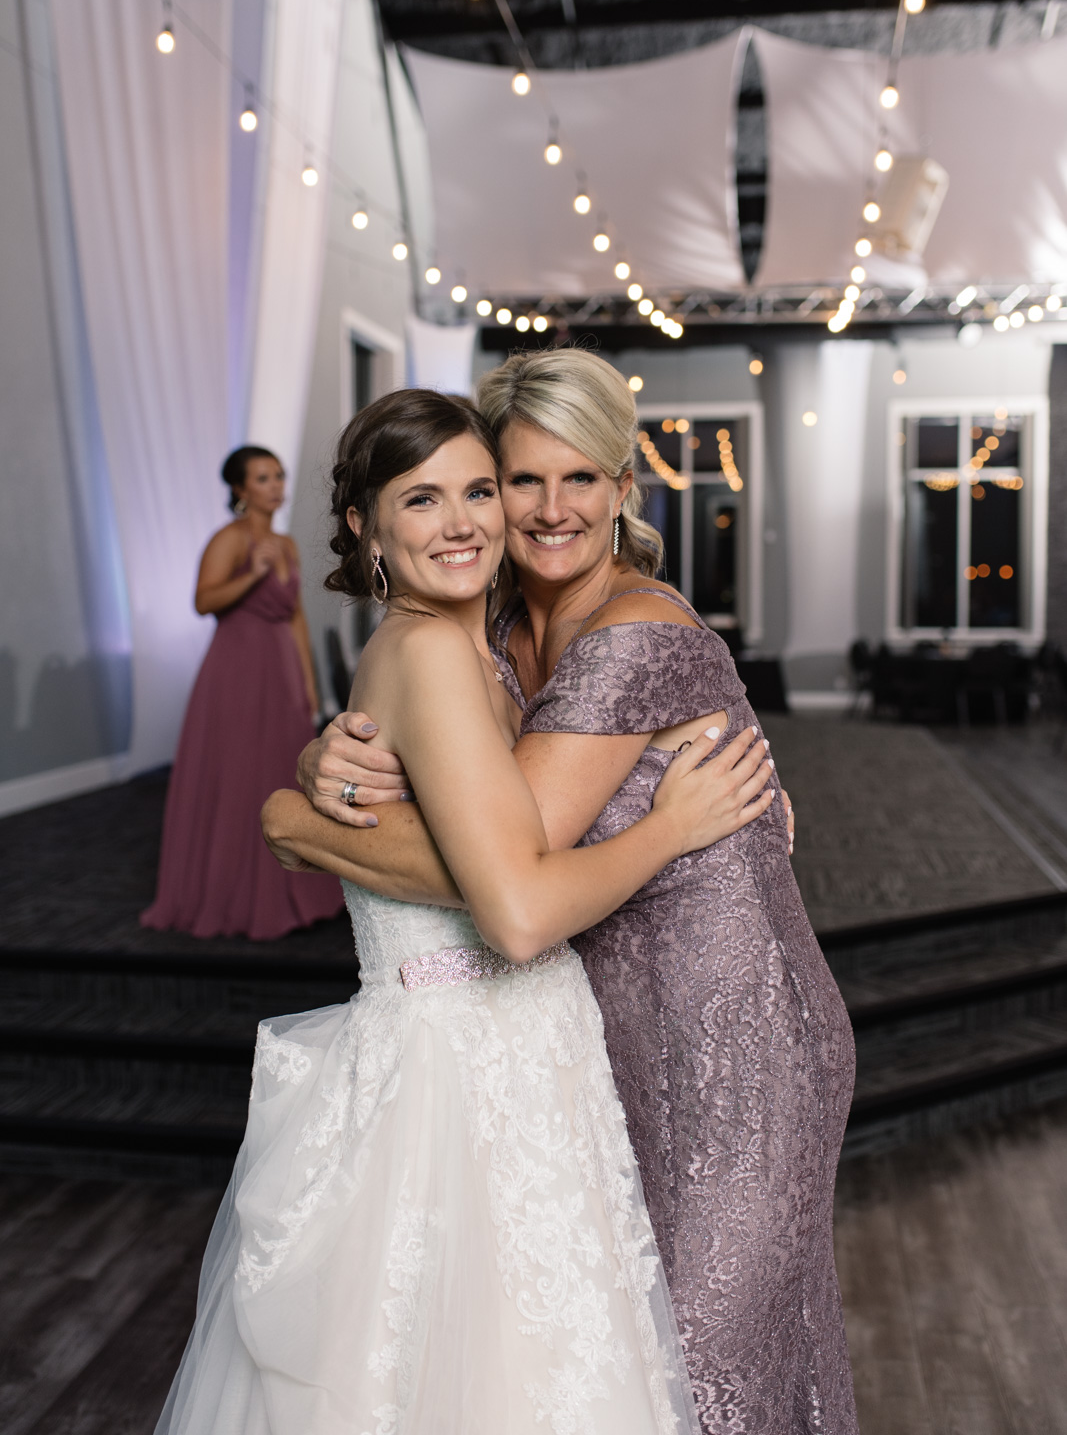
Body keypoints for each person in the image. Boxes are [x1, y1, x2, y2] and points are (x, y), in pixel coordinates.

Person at [156, 390, 776, 1435]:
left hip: (524, 1055)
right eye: (420, 498)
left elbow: (513, 822)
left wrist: (304, 801)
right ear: (365, 527)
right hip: (457, 1077)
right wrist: (669, 829)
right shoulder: (432, 649)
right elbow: (521, 910)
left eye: (477, 489)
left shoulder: (480, 643)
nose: (463, 521)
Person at [141, 445, 340, 940]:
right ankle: (231, 894)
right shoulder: (227, 540)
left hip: (278, 670)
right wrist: (252, 573)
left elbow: (294, 616)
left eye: (278, 476)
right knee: (236, 777)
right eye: (263, 478)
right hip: (235, 673)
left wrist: (308, 682)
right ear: (239, 489)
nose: (275, 485)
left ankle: (288, 889)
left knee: (278, 771)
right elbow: (203, 601)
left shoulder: (287, 544)